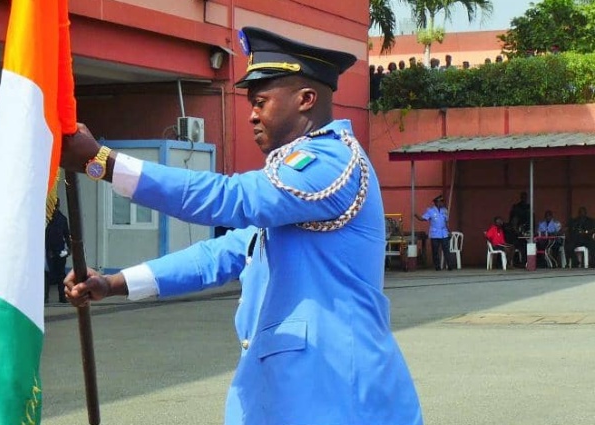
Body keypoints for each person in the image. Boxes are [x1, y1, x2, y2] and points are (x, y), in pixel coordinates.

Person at [60, 27, 423, 425]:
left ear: (306, 100)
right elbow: (221, 255)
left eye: (262, 101)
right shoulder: (295, 185)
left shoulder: (329, 161)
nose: (252, 113)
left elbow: (230, 199)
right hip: (289, 396)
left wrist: (105, 164)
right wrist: (113, 284)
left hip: (336, 394)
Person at [415, 195, 452, 271]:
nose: (442, 203)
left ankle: (449, 265)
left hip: (444, 233)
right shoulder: (430, 211)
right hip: (435, 234)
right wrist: (415, 215)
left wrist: (449, 231)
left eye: (443, 201)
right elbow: (423, 218)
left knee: (446, 250)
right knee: (435, 251)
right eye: (441, 201)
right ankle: (437, 266)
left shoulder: (444, 210)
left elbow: (446, 222)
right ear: (437, 202)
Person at [44, 199, 71, 303]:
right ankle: (45, 297)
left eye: (56, 205)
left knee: (61, 275)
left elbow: (67, 235)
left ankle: (62, 297)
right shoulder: (46, 219)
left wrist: (70, 249)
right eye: (53, 205)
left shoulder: (62, 219)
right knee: (47, 274)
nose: (54, 208)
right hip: (48, 251)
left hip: (60, 250)